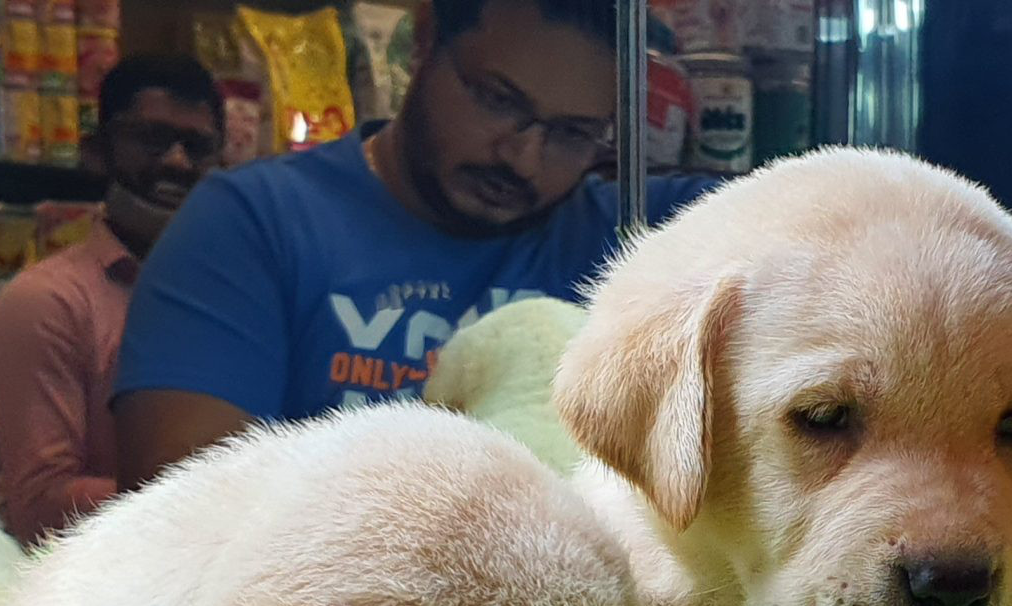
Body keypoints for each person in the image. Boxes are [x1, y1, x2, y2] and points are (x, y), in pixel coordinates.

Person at [109, 0, 719, 487]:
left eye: (572, 133)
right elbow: (186, 512)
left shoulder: (633, 231)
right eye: (499, 100)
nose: (522, 156)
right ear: (425, 40)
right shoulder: (250, 226)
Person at [0, 55, 223, 545]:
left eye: (196, 147)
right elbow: (43, 510)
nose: (176, 161)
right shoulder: (45, 303)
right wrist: (223, 506)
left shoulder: (235, 299)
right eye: (151, 139)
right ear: (98, 150)